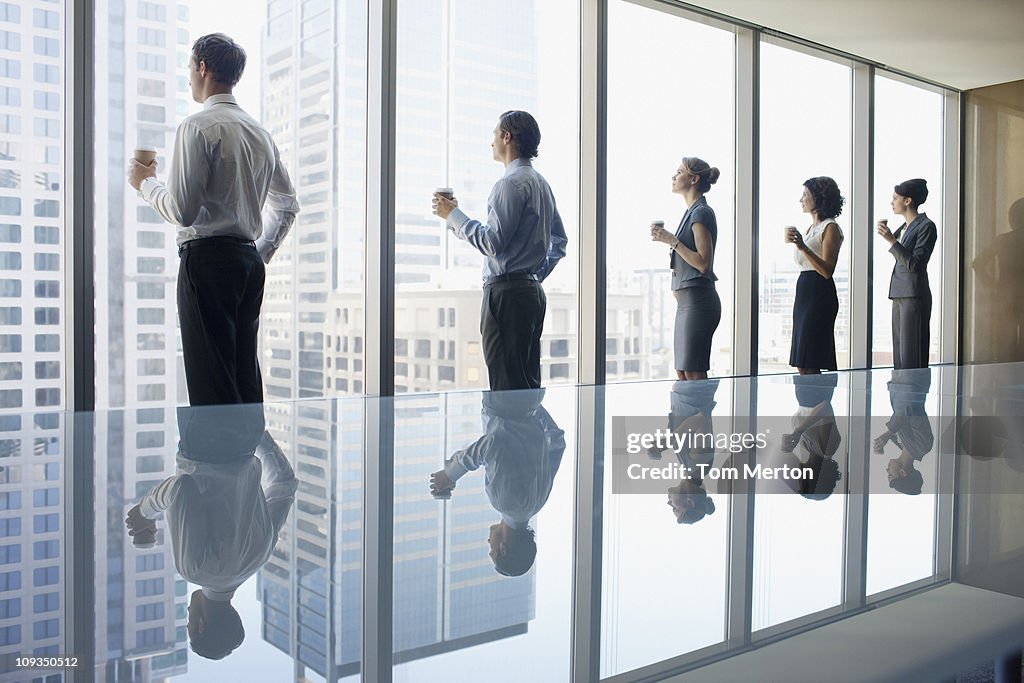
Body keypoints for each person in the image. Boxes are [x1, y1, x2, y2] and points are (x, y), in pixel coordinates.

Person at [127, 33, 299, 405]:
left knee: (212, 378)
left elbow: (182, 211)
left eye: (190, 67)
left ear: (202, 67)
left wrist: (146, 184)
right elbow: (287, 204)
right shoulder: (261, 134)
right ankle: (243, 457)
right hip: (248, 262)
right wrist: (260, 252)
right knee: (242, 371)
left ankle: (216, 462)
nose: (189, 77)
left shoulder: (197, 127)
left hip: (207, 262)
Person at [124, 403, 297, 659]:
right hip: (203, 435)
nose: (187, 613)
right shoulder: (195, 570)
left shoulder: (260, 557)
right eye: (189, 623)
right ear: (199, 625)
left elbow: (284, 483)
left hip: (247, 430)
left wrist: (255, 431)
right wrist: (145, 512)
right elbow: (181, 488)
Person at [431, 111, 568, 390]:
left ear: (507, 137)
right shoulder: (542, 184)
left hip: (506, 295)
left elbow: (492, 243)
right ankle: (526, 434)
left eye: (495, 134)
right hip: (530, 293)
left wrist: (454, 216)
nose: (491, 141)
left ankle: (509, 434)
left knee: (506, 385)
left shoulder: (508, 184)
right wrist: (531, 276)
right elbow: (560, 242)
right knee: (525, 382)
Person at [428, 389, 565, 576]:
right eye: (491, 551)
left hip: (530, 395)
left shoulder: (539, 501)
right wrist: (450, 474)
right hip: (503, 397)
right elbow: (491, 445)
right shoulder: (506, 503)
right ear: (503, 549)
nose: (488, 543)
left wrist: (532, 406)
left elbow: (557, 441)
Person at [649, 157, 722, 380]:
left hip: (698, 303)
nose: (674, 176)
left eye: (679, 172)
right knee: (683, 372)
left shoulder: (701, 213)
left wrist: (672, 240)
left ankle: (703, 413)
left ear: (693, 179)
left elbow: (703, 263)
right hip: (687, 304)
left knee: (693, 371)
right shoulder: (691, 212)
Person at [785, 177, 845, 374]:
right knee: (803, 360)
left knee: (811, 358)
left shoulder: (830, 227)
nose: (801, 199)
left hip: (819, 292)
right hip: (805, 292)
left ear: (818, 199)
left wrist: (803, 247)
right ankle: (812, 404)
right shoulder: (811, 229)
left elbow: (828, 270)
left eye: (805, 195)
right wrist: (801, 246)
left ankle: (820, 402)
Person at [876, 179, 938, 369]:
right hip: (900, 293)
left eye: (895, 198)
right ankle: (900, 397)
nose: (892, 202)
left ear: (907, 201)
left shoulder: (926, 226)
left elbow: (915, 264)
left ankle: (913, 396)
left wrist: (891, 241)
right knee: (900, 354)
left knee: (912, 354)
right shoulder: (904, 228)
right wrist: (893, 239)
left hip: (914, 294)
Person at [780, 373, 843, 500]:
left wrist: (786, 444)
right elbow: (825, 407)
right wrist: (798, 432)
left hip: (805, 392)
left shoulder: (808, 449)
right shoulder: (826, 449)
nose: (797, 476)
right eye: (801, 480)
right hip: (817, 388)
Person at [873, 368, 934, 495]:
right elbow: (912, 410)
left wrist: (884, 441)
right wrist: (887, 434)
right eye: (890, 474)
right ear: (902, 472)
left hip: (900, 382)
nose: (887, 470)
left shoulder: (901, 445)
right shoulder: (923, 446)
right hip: (912, 379)